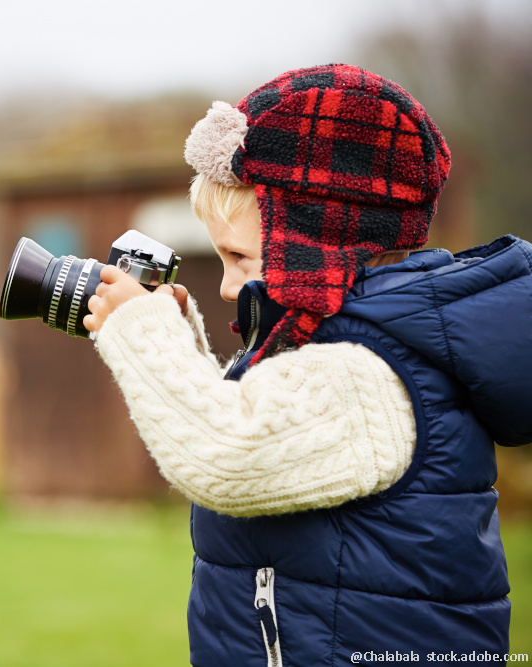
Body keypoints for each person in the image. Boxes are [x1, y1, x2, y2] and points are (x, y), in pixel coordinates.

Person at [83, 64, 532, 667]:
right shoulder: (361, 346)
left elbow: (227, 452)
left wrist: (142, 334)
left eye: (238, 256)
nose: (224, 286)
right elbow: (266, 425)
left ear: (315, 240)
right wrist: (184, 349)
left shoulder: (367, 374)